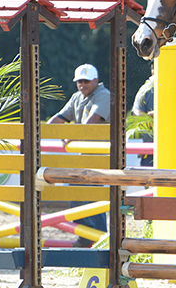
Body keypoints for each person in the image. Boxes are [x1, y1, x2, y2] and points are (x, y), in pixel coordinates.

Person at [47, 64, 109, 247]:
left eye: (86, 81)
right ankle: (95, 237)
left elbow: (91, 122)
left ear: (96, 81)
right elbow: (59, 118)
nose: (82, 85)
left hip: (99, 156)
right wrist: (42, 131)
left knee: (84, 194)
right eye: (79, 81)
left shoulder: (104, 95)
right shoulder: (77, 97)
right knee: (86, 196)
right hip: (84, 157)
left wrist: (70, 135)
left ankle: (91, 236)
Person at [132, 61, 154, 166]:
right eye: (153, 68)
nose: (155, 71)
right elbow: (136, 113)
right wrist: (150, 117)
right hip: (150, 151)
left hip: (175, 149)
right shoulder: (146, 89)